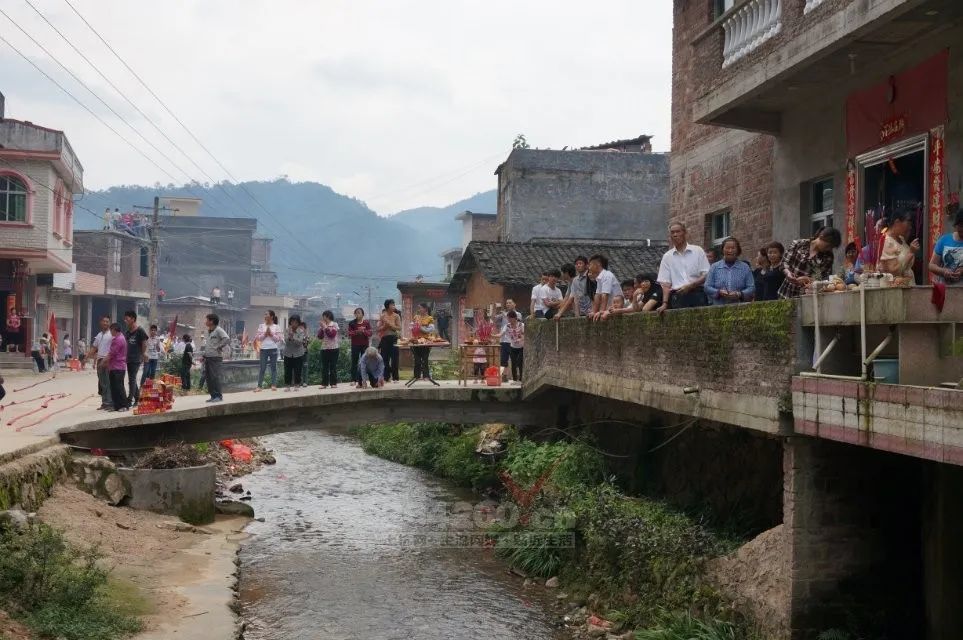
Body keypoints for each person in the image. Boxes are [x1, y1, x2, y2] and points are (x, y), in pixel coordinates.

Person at [656, 222, 710, 311]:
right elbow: (665, 283)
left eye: (678, 231)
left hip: (697, 293)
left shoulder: (698, 251)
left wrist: (692, 285)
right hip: (678, 296)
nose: (675, 235)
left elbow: (706, 274)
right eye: (672, 232)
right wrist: (664, 304)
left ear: (685, 233)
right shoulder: (667, 256)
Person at [778, 227, 842, 298]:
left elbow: (823, 280)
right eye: (828, 246)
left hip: (807, 296)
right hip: (786, 292)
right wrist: (788, 273)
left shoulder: (828, 257)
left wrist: (807, 279)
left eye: (831, 247)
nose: (829, 249)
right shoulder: (799, 244)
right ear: (821, 237)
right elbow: (784, 262)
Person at [705, 237, 755, 305]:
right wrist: (719, 292)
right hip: (719, 308)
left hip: (740, 308)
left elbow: (751, 287)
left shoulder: (745, 267)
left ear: (738, 250)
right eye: (727, 248)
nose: (730, 250)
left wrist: (739, 294)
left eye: (733, 248)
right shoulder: (714, 267)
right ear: (722, 250)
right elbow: (707, 287)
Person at [878, 210, 920, 282]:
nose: (910, 227)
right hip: (896, 286)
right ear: (897, 222)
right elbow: (893, 271)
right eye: (908, 223)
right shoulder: (886, 241)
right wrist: (910, 252)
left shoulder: (901, 239)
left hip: (908, 284)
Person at [929, 209, 963, 285]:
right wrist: (943, 271)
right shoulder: (944, 240)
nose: (962, 229)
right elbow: (931, 265)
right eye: (960, 226)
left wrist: (962, 270)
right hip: (945, 288)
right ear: (956, 225)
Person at [202, 313, 230, 403]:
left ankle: (218, 395)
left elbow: (226, 338)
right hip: (208, 357)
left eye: (207, 320)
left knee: (215, 377)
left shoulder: (218, 330)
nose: (205, 322)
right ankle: (213, 395)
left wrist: (219, 346)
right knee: (209, 378)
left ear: (212, 321)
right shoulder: (209, 331)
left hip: (215, 357)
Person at [123, 311, 148, 406]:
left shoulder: (140, 330)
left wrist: (142, 355)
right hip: (128, 359)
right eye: (125, 319)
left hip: (136, 358)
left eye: (127, 319)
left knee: (132, 379)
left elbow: (144, 343)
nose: (125, 321)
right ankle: (137, 399)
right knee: (132, 379)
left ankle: (129, 400)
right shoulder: (128, 332)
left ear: (133, 319)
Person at [495, 300, 522, 382]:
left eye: (510, 303)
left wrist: (506, 315)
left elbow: (519, 324)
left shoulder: (518, 314)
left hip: (513, 341)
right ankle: (504, 376)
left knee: (516, 360)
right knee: (503, 359)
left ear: (515, 304)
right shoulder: (503, 314)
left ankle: (517, 375)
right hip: (503, 340)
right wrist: (496, 313)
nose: (508, 304)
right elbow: (495, 320)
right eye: (507, 303)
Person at [587, 254, 621, 320]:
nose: (589, 268)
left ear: (598, 264)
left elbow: (605, 295)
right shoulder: (599, 278)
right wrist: (594, 312)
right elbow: (597, 296)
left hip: (616, 308)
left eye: (590, 265)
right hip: (609, 309)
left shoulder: (607, 275)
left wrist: (601, 312)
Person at [254, 310, 280, 392]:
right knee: (262, 367)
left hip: (273, 348)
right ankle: (259, 386)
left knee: (273, 367)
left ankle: (273, 385)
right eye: (265, 314)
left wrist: (271, 334)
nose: (265, 316)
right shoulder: (261, 326)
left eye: (267, 314)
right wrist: (265, 334)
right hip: (263, 349)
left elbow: (278, 339)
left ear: (271, 316)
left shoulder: (276, 326)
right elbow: (258, 338)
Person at [89, 316, 111, 408]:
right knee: (102, 382)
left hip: (107, 361)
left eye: (107, 321)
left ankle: (109, 402)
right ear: (100, 322)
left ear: (109, 323)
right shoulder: (99, 335)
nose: (105, 323)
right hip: (100, 360)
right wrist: (85, 358)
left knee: (107, 382)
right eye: (104, 321)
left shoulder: (111, 335)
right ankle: (104, 402)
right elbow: (94, 348)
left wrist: (107, 359)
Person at [106, 322, 129, 411]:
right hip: (114, 366)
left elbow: (112, 353)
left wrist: (103, 362)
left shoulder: (118, 339)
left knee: (119, 387)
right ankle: (116, 406)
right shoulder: (120, 338)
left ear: (114, 330)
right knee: (114, 387)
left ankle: (123, 405)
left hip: (118, 367)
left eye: (111, 330)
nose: (110, 332)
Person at [347, 308, 372, 387]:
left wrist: (364, 331)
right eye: (356, 313)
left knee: (364, 362)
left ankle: (362, 380)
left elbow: (370, 333)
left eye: (359, 313)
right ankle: (353, 379)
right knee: (354, 362)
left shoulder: (366, 323)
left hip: (364, 345)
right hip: (355, 345)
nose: (358, 314)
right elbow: (349, 334)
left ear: (363, 314)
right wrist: (357, 331)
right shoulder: (352, 323)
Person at [378, 299, 402, 383]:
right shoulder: (382, 316)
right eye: (392, 305)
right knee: (385, 358)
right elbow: (379, 329)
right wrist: (385, 326)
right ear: (387, 306)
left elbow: (399, 328)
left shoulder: (396, 316)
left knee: (395, 358)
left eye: (394, 304)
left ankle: (395, 377)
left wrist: (390, 325)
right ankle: (386, 377)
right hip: (384, 339)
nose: (394, 306)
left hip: (394, 338)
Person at [282, 315, 307, 391]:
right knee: (287, 370)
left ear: (298, 323)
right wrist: (289, 338)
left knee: (298, 370)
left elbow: (299, 343)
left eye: (296, 322)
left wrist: (293, 338)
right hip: (288, 353)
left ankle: (297, 385)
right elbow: (285, 341)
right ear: (290, 322)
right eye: (292, 322)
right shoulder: (287, 330)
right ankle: (287, 385)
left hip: (298, 354)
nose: (294, 324)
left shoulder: (301, 331)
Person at [411, 303, 435, 380]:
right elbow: (412, 327)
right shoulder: (416, 317)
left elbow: (430, 329)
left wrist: (420, 328)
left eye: (420, 308)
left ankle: (426, 376)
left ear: (425, 309)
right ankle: (416, 376)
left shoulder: (430, 318)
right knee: (417, 360)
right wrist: (413, 327)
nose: (419, 309)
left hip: (425, 341)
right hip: (416, 341)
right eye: (419, 308)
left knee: (425, 359)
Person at [318, 310, 340, 389]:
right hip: (324, 348)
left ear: (328, 317)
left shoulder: (334, 324)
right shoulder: (323, 326)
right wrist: (322, 328)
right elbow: (320, 337)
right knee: (324, 367)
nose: (323, 318)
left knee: (333, 366)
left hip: (334, 348)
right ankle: (324, 383)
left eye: (324, 316)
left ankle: (333, 383)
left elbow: (332, 335)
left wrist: (325, 327)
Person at [472, 308, 495, 382]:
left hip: (483, 357)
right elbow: (474, 344)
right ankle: (475, 379)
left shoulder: (486, 338)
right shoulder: (475, 340)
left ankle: (482, 379)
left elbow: (491, 342)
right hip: (476, 357)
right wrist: (477, 341)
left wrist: (488, 340)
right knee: (476, 368)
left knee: (483, 368)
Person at [505, 310, 525, 383]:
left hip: (521, 347)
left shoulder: (521, 325)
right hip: (513, 347)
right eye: (508, 318)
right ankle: (514, 379)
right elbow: (502, 333)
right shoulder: (508, 326)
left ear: (514, 318)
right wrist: (493, 336)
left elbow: (524, 335)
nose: (508, 320)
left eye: (510, 318)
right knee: (513, 363)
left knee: (519, 362)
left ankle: (520, 380)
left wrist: (520, 339)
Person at [299, 319, 310, 387]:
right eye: (299, 327)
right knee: (298, 368)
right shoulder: (296, 335)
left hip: (305, 353)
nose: (300, 329)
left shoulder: (307, 336)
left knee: (305, 367)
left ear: (305, 328)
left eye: (302, 327)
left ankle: (305, 382)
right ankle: (298, 382)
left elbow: (306, 344)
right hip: (297, 354)